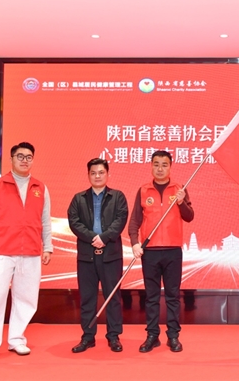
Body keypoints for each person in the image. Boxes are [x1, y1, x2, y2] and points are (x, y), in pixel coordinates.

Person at [0, 142, 53, 363]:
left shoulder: (41, 188)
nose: (24, 160)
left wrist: (47, 246)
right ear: (11, 159)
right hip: (1, 252)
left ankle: (17, 339)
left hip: (31, 252)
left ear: (33, 160)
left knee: (26, 299)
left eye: (29, 157)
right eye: (20, 156)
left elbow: (45, 221)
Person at [129, 150, 194, 353]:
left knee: (173, 296)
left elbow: (189, 216)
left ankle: (173, 336)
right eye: (156, 164)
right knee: (151, 296)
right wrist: (135, 243)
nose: (160, 168)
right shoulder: (143, 190)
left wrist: (182, 202)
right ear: (151, 166)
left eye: (164, 165)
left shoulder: (179, 189)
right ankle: (152, 335)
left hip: (173, 251)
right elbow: (134, 221)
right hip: (150, 252)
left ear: (170, 167)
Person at [67, 158, 128, 353]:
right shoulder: (79, 198)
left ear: (107, 174)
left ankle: (114, 336)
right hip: (87, 255)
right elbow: (74, 222)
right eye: (93, 173)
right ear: (88, 175)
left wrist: (104, 237)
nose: (97, 176)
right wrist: (93, 238)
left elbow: (120, 219)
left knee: (112, 297)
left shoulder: (117, 197)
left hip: (111, 255)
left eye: (101, 172)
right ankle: (88, 337)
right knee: (87, 297)